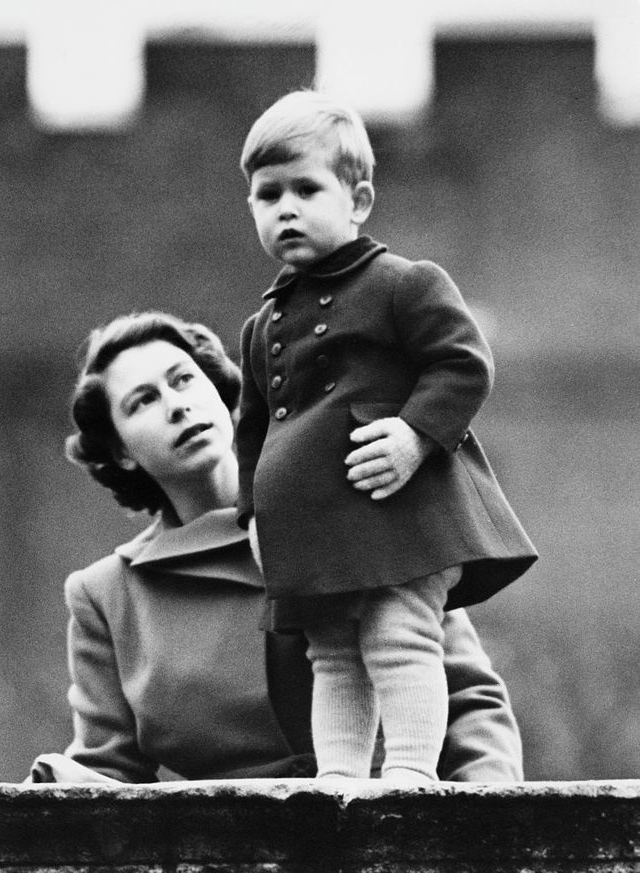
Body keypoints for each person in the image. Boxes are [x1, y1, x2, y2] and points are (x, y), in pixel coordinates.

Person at [30, 310, 524, 784]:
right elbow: (109, 774)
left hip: (388, 834)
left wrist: (490, 831)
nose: (176, 405)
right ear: (120, 450)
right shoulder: (105, 596)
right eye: (142, 401)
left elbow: (470, 703)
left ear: (222, 393)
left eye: (183, 380)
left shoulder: (349, 514)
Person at [236, 90, 538, 784]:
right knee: (332, 650)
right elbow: (251, 429)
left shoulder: (403, 283)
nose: (285, 208)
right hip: (313, 525)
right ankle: (339, 780)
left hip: (396, 511)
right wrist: (254, 513)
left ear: (359, 199)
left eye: (306, 189)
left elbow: (464, 364)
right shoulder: (261, 327)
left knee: (401, 637)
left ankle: (410, 774)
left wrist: (413, 434)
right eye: (266, 194)